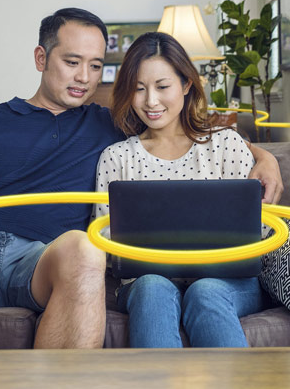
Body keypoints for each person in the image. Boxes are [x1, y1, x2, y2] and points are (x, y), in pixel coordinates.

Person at [0, 8, 284, 351]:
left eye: (96, 65)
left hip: (46, 260)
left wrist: (265, 157)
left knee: (85, 248)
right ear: (41, 58)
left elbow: (186, 136)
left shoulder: (109, 124)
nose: (84, 77)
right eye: (72, 61)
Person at [93, 32, 265, 348]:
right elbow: (105, 244)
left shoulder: (226, 144)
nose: (151, 101)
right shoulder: (117, 157)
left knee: (206, 291)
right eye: (138, 89)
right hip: (145, 282)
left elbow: (260, 229)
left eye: (162, 87)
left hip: (227, 282)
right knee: (152, 288)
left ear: (186, 85)